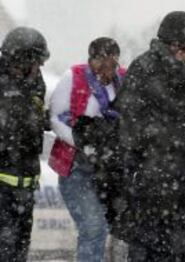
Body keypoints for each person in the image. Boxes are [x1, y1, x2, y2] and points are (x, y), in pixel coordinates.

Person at [114, 10, 185, 262]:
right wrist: (179, 134)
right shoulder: (144, 70)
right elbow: (131, 129)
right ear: (173, 44)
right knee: (153, 250)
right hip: (152, 184)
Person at [48, 37, 126, 262]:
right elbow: (56, 118)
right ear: (91, 60)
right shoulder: (74, 77)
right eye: (101, 63)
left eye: (112, 64)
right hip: (77, 166)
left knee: (115, 230)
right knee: (93, 226)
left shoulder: (122, 80)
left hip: (109, 168)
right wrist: (83, 142)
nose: (107, 70)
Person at [0, 26, 50, 262]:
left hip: (27, 184)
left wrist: (44, 120)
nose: (39, 67)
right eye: (36, 61)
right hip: (2, 186)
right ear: (21, 59)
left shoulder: (36, 83)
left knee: (19, 251)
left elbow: (33, 120)